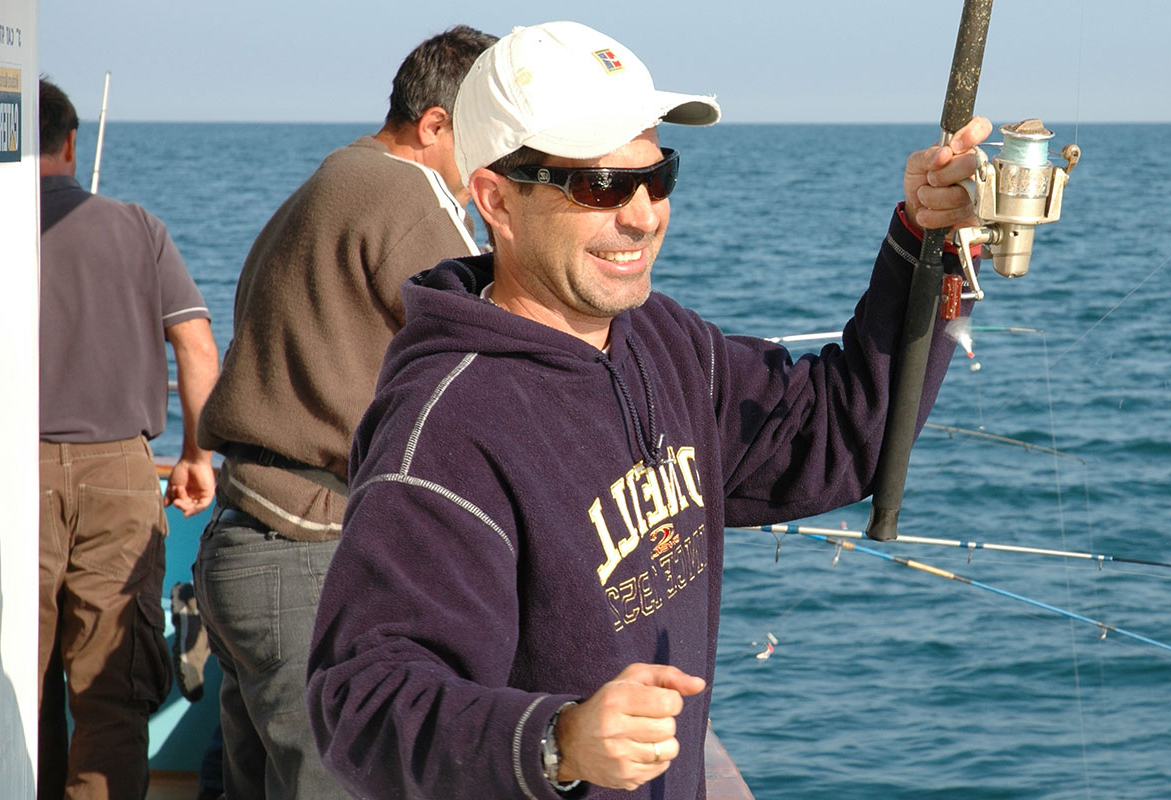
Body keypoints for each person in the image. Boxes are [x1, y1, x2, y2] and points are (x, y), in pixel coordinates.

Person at [305, 20, 989, 799]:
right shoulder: (444, 430)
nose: (640, 214)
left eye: (656, 175)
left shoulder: (662, 341)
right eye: (598, 184)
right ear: (495, 199)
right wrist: (559, 741)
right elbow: (361, 704)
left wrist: (926, 242)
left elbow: (834, 433)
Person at [191, 25, 496, 799]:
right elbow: (492, 348)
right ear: (435, 127)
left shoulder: (332, 179)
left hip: (244, 536)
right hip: (306, 544)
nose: (493, 167)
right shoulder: (407, 192)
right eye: (488, 139)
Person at [37, 77, 220, 800]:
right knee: (112, 685)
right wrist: (199, 454)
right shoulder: (139, 227)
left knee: (18, 676)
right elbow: (199, 349)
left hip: (13, 476)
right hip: (119, 472)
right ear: (72, 143)